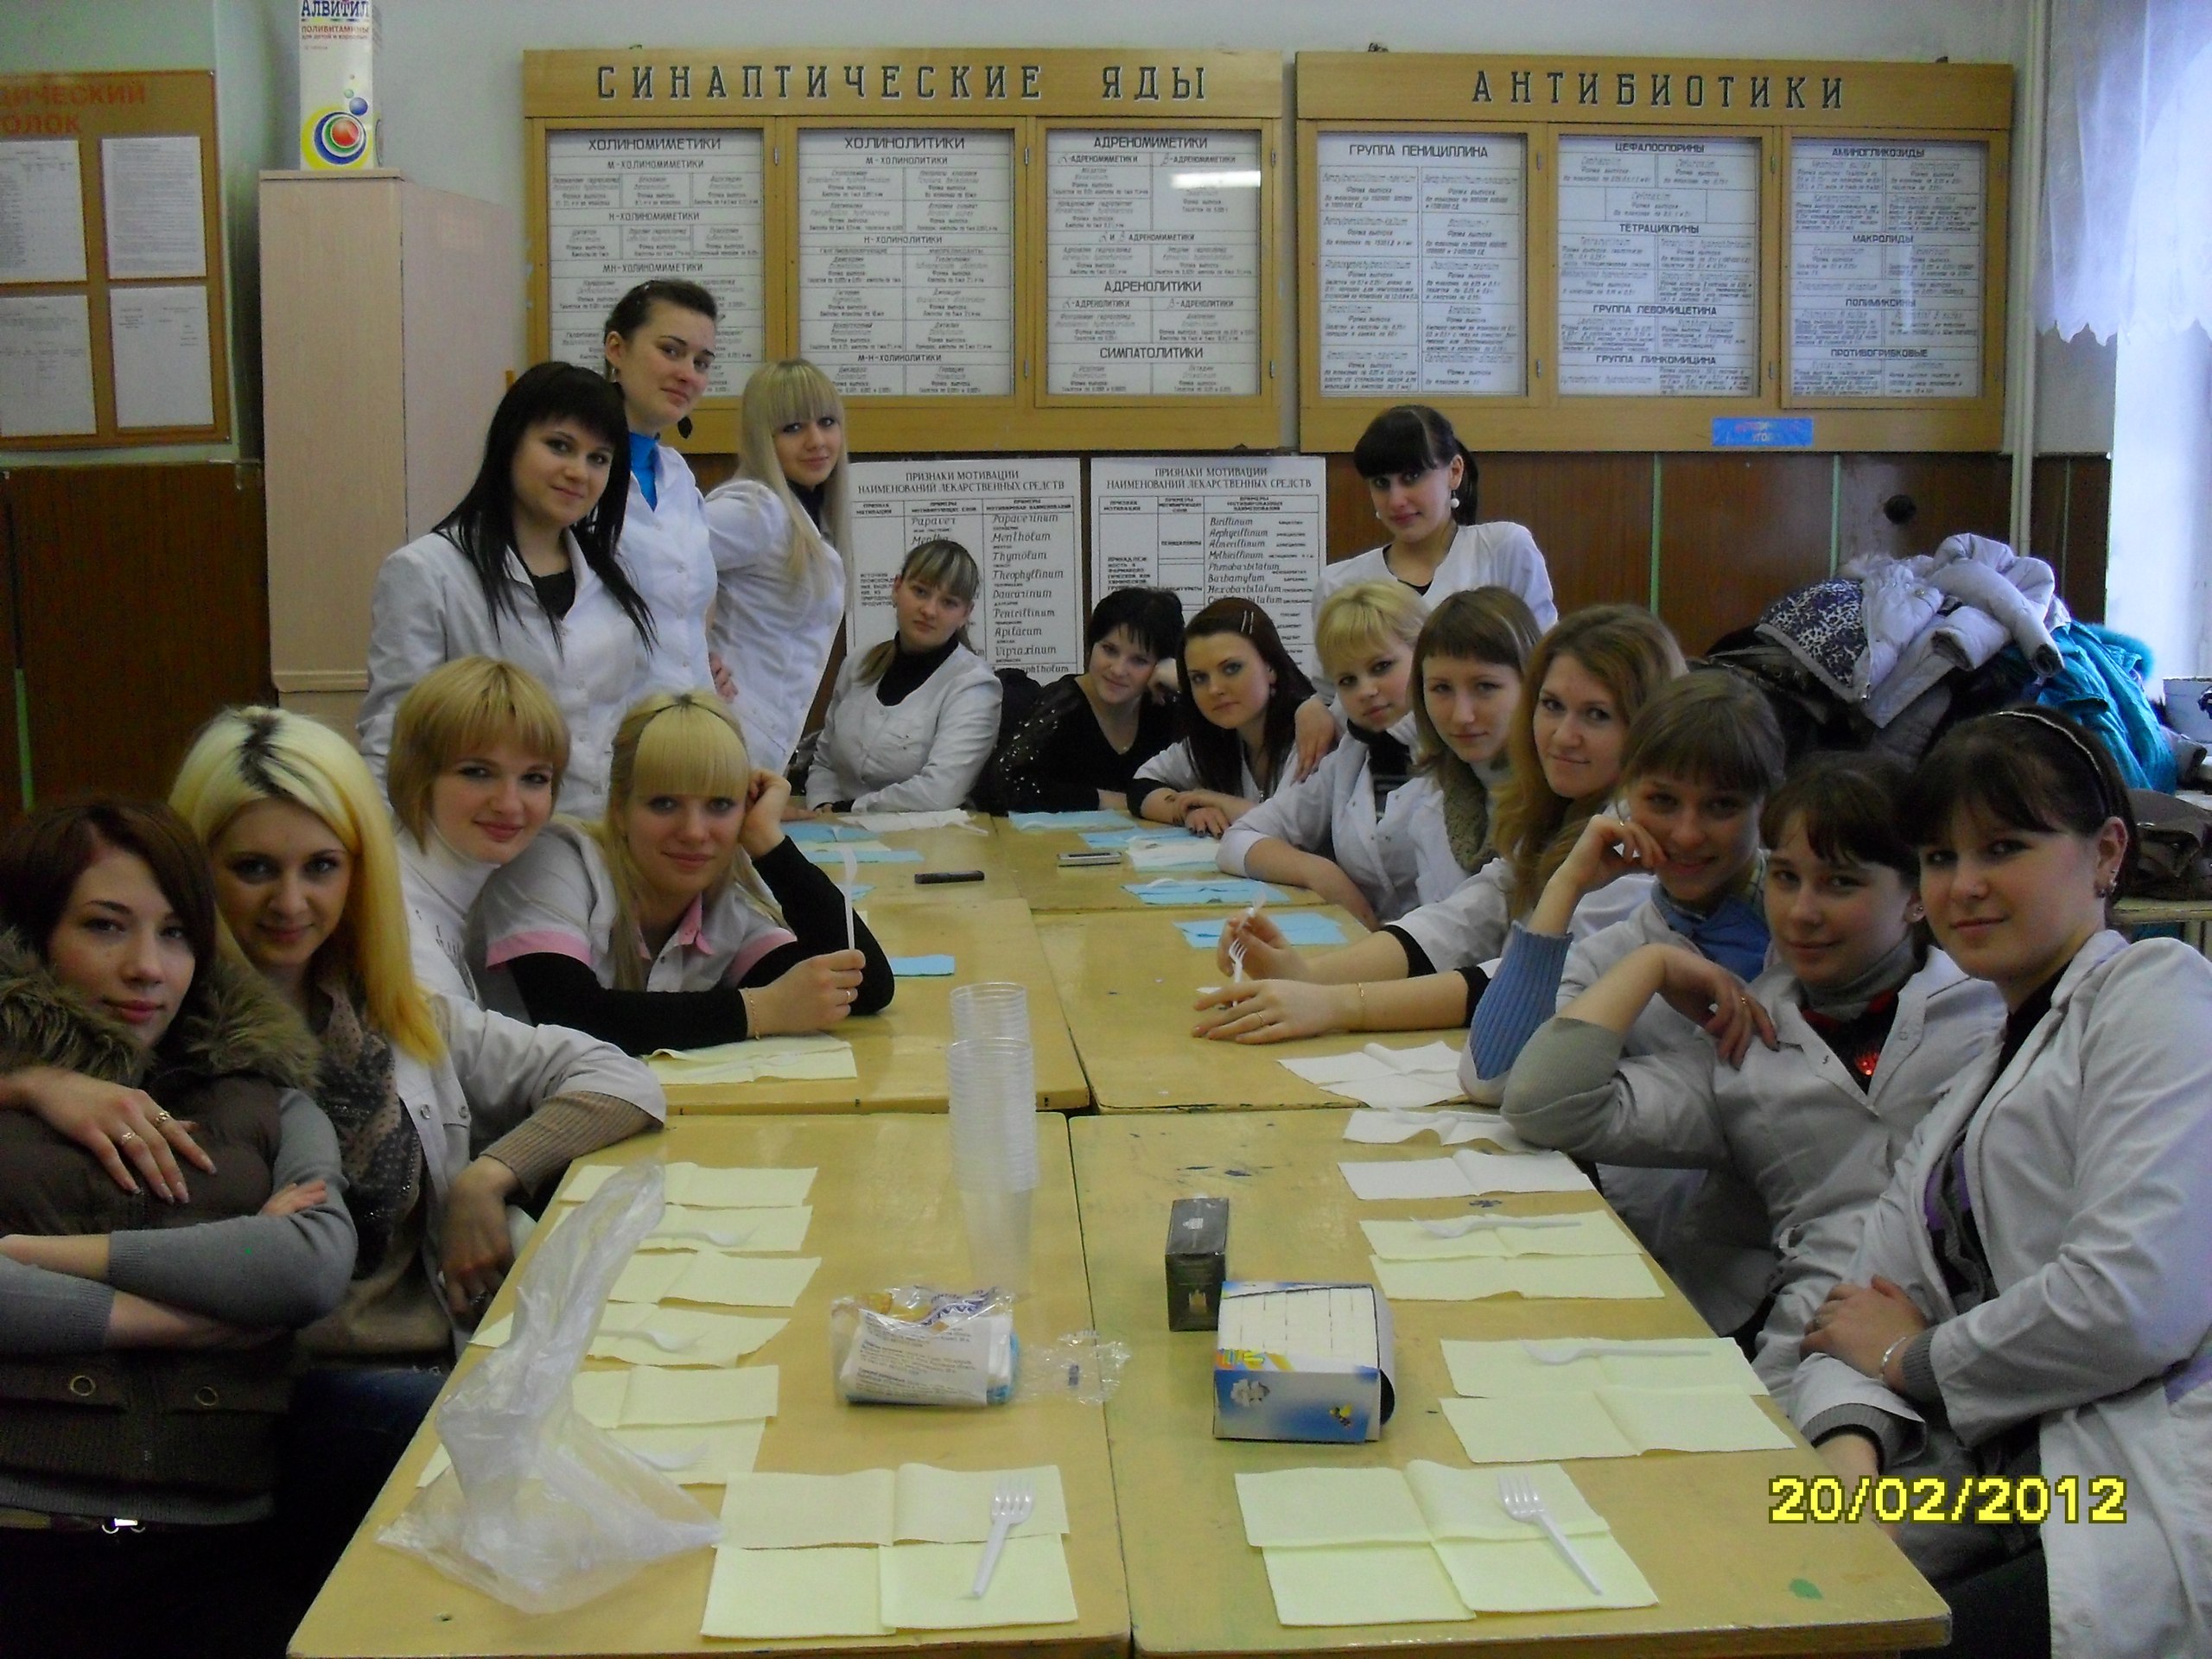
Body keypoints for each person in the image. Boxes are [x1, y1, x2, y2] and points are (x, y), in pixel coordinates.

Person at [167, 706, 665, 1595]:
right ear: (194, 871)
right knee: (551, 1489)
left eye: (322, 867)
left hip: (435, 1363)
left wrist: (488, 1175)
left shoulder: (393, 1015)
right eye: (253, 869)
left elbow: (620, 1079)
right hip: (282, 1403)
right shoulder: (168, 1036)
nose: (291, 904)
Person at [1793, 709, 2212, 1659]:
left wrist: (1910, 1358)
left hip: (2127, 1493)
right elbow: (1850, 1309)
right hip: (1994, 1490)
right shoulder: (1981, 1070)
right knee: (1747, 1548)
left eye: (2004, 848)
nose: (1965, 886)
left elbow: (2131, 1302)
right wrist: (1846, 1470)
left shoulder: (2158, 997)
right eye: (1940, 858)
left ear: (2107, 853)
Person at [1502, 753, 2004, 1395]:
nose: (1801, 912)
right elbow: (1543, 1104)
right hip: (1807, 1356)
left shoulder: (1985, 1015)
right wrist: (1650, 965)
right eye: (1786, 878)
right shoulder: (1749, 1041)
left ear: (1915, 896)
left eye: (1840, 884)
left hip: (1970, 1354)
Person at [0, 801, 353, 1659]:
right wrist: (182, 1317)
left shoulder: (269, 1099)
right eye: (104, 926)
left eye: (175, 934)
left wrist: (32, 1256)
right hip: (21, 1537)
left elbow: (305, 1268)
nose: (146, 968)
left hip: (219, 1547)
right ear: (31, 937)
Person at [1463, 669, 1788, 1332]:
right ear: (1627, 794)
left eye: (1722, 806)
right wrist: (1566, 884)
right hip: (1657, 1266)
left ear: (1767, 807)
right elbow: (1492, 1076)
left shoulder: (1805, 933)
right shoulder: (1633, 937)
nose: (1688, 834)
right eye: (1662, 801)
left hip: (1779, 1287)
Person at [1195, 586, 1572, 1043]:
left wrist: (1337, 1000)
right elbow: (1466, 919)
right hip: (1445, 1002)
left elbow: (1528, 976)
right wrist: (1307, 976)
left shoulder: (1564, 802)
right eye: (1441, 689)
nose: (1462, 715)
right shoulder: (1454, 775)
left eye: (1485, 687)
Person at [485, 691, 894, 1053]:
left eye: (720, 805)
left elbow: (865, 986)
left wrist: (768, 844)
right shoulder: (554, 861)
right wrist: (763, 1009)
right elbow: (571, 1017)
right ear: (619, 810)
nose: (695, 832)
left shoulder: (723, 911)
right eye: (664, 804)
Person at [358, 361, 654, 819]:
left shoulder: (612, 574)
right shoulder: (427, 572)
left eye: (598, 458)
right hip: (488, 838)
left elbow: (625, 721)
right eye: (559, 446)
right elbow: (393, 736)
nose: (579, 472)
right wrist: (383, 852)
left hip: (604, 837)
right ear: (510, 441)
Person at [1215, 581, 1452, 930]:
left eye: (1381, 667)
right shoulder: (1353, 755)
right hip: (1372, 946)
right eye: (1347, 680)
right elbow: (1237, 840)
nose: (1365, 691)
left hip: (1445, 956)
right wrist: (1321, 873)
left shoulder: (1462, 752)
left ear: (1425, 657)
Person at [1309, 404, 1556, 687]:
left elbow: (1545, 664)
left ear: (1454, 472)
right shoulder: (1339, 584)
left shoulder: (1503, 548)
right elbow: (1327, 694)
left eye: (1411, 478)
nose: (1396, 501)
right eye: (1381, 483)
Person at [385, 657, 569, 1005]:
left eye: (534, 778)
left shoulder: (464, 898)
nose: (509, 805)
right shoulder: (389, 914)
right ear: (416, 774)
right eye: (478, 773)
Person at [705, 359, 851, 778]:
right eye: (793, 428)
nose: (816, 441)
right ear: (762, 438)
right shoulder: (755, 510)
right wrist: (690, 658)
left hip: (757, 747)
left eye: (826, 422)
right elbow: (649, 565)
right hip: (722, 736)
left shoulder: (809, 517)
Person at [805, 539, 1001, 813]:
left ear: (965, 615)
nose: (929, 610)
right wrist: (823, 805)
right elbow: (824, 762)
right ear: (897, 588)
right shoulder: (858, 664)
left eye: (948, 603)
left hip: (926, 834)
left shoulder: (975, 685)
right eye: (920, 591)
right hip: (833, 826)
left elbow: (939, 792)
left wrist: (848, 810)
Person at [601, 278, 720, 705]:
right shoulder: (577, 478)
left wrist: (702, 657)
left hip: (689, 727)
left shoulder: (678, 477)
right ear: (617, 349)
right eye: (671, 351)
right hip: (605, 727)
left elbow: (691, 608)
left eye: (701, 362)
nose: (687, 374)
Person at [984, 588, 1185, 813]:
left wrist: (1185, 683)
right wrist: (1106, 799)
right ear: (1091, 646)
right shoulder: (1062, 702)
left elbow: (1212, 770)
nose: (1118, 670)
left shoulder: (1165, 706)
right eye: (1109, 650)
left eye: (1139, 660)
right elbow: (1003, 786)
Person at [1132, 598, 1314, 835]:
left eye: (1231, 668)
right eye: (1199, 678)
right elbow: (1141, 785)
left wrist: (1218, 801)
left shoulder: (1311, 730)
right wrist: (1189, 810)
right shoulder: (1216, 737)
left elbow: (1295, 830)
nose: (1214, 689)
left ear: (1270, 667)